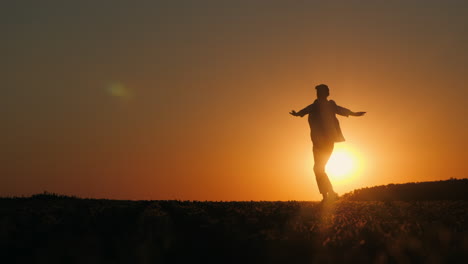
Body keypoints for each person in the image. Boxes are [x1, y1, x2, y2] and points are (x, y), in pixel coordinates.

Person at [290, 84, 366, 202]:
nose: (323, 93)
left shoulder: (331, 105)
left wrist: (354, 113)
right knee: (318, 168)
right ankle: (328, 195)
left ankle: (329, 194)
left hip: (327, 141)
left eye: (324, 91)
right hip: (317, 141)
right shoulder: (315, 105)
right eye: (321, 91)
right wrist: (297, 113)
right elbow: (305, 110)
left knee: (318, 168)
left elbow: (341, 110)